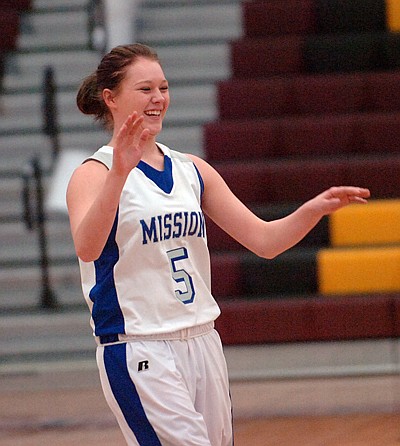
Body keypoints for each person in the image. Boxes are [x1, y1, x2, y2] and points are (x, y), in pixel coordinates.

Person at [66, 43, 370, 446]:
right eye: (145, 89)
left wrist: (311, 210)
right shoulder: (92, 173)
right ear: (111, 98)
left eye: (164, 87)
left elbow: (264, 241)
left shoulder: (192, 169)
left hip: (203, 341)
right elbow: (87, 248)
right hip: (138, 346)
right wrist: (121, 171)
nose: (158, 98)